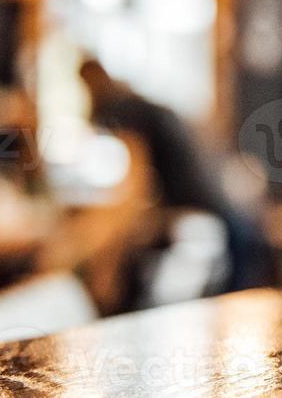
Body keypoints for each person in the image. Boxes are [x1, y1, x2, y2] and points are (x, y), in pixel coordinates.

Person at [78, 59, 268, 291]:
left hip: (210, 209)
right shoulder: (140, 105)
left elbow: (136, 183)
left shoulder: (126, 110)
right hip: (219, 205)